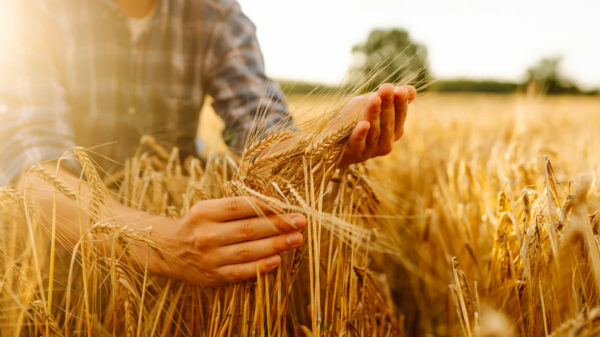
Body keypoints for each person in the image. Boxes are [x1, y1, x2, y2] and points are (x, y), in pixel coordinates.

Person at [0, 0, 417, 287]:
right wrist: (164, 245)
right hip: (55, 250)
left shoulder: (215, 14)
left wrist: (326, 146)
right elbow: (35, 172)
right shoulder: (32, 11)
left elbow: (261, 134)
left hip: (172, 225)